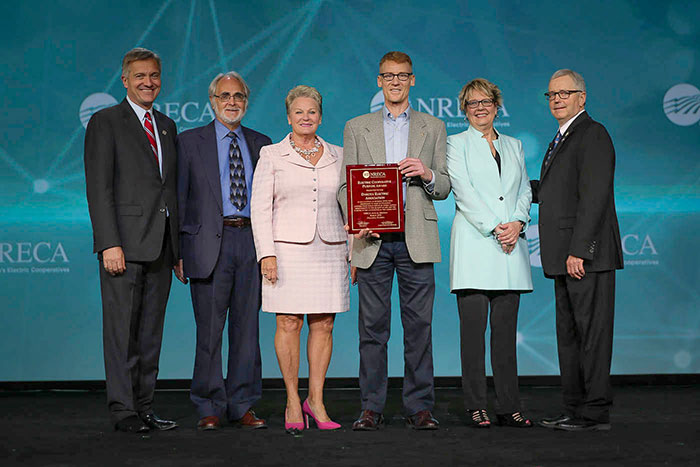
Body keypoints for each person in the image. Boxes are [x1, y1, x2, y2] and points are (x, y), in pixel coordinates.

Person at [338, 51, 450, 431]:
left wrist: (428, 172)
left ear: (413, 80)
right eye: (389, 75)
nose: (396, 82)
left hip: (416, 238)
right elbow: (344, 187)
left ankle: (419, 406)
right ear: (379, 81)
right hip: (373, 243)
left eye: (403, 76)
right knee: (372, 329)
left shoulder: (433, 126)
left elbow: (446, 186)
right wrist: (356, 221)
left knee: (419, 328)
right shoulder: (357, 127)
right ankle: (371, 406)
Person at [84, 47, 184, 433]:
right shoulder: (105, 122)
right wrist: (109, 243)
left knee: (150, 335)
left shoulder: (166, 125)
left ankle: (144, 407)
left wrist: (177, 248)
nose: (148, 82)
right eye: (140, 76)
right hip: (122, 247)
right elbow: (99, 188)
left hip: (161, 247)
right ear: (125, 80)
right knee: (122, 333)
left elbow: (169, 190)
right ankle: (123, 410)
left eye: (154, 75)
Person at [176, 72, 271, 431]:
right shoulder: (189, 142)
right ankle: (209, 406)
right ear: (212, 101)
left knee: (248, 332)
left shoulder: (263, 143)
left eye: (239, 96)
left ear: (247, 101)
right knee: (210, 332)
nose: (232, 102)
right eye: (225, 96)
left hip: (250, 242)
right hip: (205, 246)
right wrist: (177, 252)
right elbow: (178, 198)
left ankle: (242, 403)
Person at [251, 85, 348, 433]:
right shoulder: (272, 154)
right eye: (299, 112)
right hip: (286, 251)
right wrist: (267, 254)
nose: (306, 118)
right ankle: (293, 399)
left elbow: (348, 205)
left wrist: (353, 252)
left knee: (324, 324)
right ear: (288, 117)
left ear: (320, 116)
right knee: (288, 323)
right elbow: (259, 208)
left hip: (330, 249)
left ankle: (316, 400)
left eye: (312, 112)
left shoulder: (339, 153)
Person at [533, 69, 623, 432]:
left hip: (586, 257)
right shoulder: (561, 137)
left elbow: (595, 197)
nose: (557, 99)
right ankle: (574, 408)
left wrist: (580, 251)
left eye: (565, 93)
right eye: (552, 94)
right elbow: (555, 192)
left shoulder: (593, 134)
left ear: (581, 98)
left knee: (592, 338)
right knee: (569, 338)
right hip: (562, 257)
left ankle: (595, 411)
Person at [446, 78, 533, 428]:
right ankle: (476, 404)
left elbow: (524, 189)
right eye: (472, 103)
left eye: (486, 102)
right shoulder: (455, 144)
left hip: (510, 249)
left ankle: (509, 405)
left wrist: (517, 223)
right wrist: (497, 226)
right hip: (476, 245)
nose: (480, 108)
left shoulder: (514, 145)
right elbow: (463, 192)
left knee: (504, 337)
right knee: (473, 336)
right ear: (464, 109)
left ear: (497, 106)